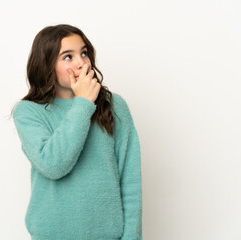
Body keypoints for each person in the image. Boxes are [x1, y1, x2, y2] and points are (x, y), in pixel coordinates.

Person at [10, 24, 143, 240]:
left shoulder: (115, 106)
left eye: (84, 53)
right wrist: (82, 104)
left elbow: (130, 180)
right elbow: (53, 165)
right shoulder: (28, 112)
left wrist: (132, 237)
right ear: (47, 64)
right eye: (68, 57)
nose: (81, 62)